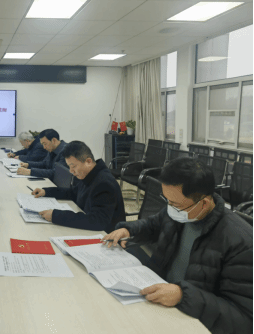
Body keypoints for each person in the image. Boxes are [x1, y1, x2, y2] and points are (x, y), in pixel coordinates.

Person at [103, 158, 253, 334]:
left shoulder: (241, 243)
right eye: (166, 200)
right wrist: (128, 230)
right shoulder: (180, 210)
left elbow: (243, 319)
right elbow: (153, 225)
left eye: (174, 204)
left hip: (192, 318)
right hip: (158, 298)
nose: (169, 208)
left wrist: (183, 296)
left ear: (204, 203)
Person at [32, 141, 125, 232]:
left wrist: (55, 216)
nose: (71, 171)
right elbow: (73, 193)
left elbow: (97, 221)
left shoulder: (104, 183)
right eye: (69, 167)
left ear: (88, 161)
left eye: (73, 166)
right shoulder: (89, 174)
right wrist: (46, 192)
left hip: (106, 236)